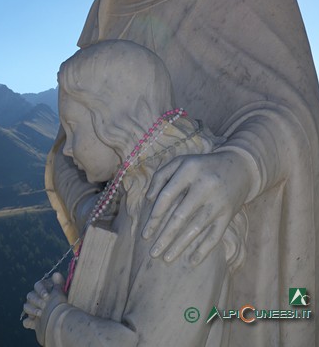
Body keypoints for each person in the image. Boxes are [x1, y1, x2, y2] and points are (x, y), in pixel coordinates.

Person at [44, 0, 319, 345]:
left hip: (237, 280)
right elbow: (70, 145)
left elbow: (296, 120)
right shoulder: (105, 12)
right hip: (124, 282)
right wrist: (94, 210)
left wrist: (238, 169)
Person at [24, 40, 246, 347]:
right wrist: (56, 302)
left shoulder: (177, 209)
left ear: (116, 121)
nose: (69, 147)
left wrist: (55, 320)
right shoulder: (134, 193)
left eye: (74, 128)